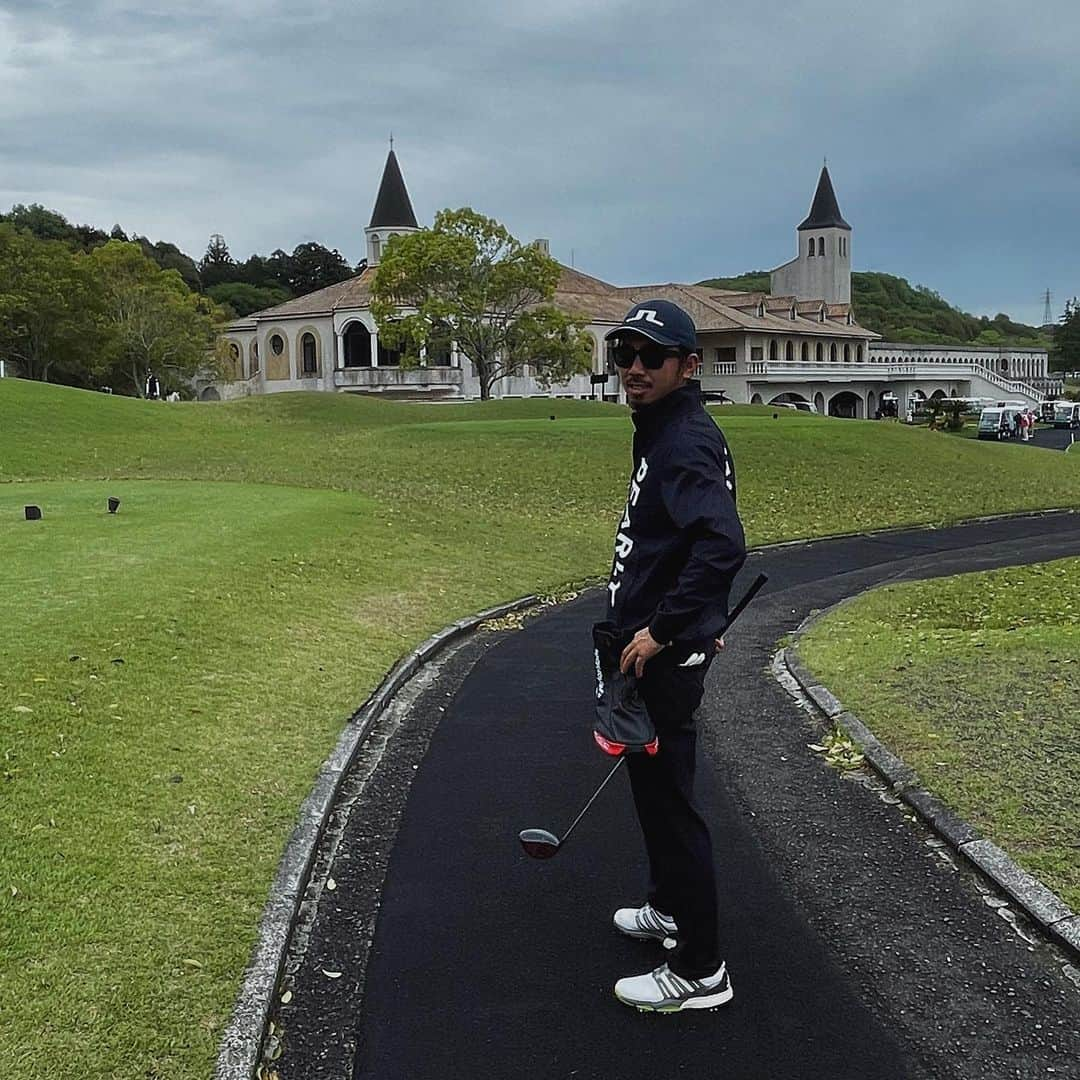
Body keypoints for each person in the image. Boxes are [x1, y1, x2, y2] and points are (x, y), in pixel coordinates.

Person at [600, 299, 746, 1012]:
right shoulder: (663, 428)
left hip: (658, 652)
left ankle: (699, 967)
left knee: (671, 804)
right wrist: (695, 617)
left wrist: (667, 630)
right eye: (623, 354)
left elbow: (722, 543)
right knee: (654, 796)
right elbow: (685, 544)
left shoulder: (683, 437)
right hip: (652, 644)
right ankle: (668, 908)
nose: (633, 368)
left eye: (650, 357)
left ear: (688, 365)